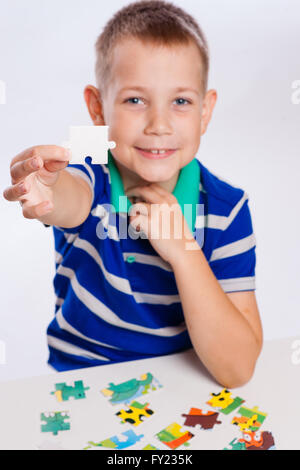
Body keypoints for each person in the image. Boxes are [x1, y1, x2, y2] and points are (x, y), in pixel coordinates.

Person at [3, 0, 263, 388]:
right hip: (83, 383)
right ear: (97, 108)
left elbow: (237, 370)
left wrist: (184, 252)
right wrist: (48, 188)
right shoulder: (92, 172)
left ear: (205, 112)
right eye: (135, 100)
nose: (159, 125)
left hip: (184, 385)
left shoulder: (227, 208)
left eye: (181, 101)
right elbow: (70, 198)